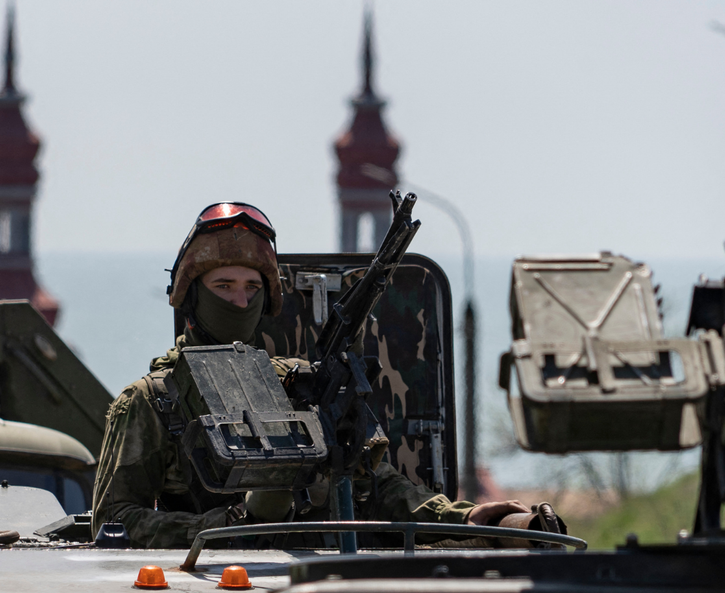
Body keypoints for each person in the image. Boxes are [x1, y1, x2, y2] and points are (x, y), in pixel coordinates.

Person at [91, 202, 541, 549]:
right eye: (223, 287)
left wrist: (464, 518)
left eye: (252, 287)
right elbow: (113, 521)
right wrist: (229, 526)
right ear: (192, 296)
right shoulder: (152, 401)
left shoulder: (299, 386)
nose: (240, 302)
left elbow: (378, 485)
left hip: (321, 575)